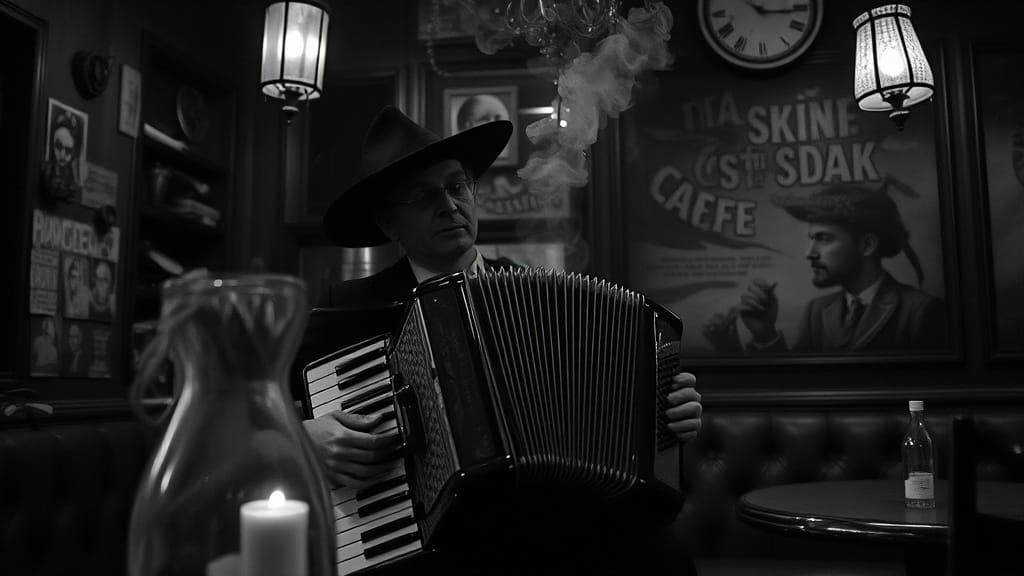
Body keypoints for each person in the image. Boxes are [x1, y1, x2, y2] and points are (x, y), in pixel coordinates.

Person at [309, 106, 702, 575]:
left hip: (549, 526)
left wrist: (668, 412)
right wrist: (304, 436)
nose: (449, 205)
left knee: (665, 559)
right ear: (389, 223)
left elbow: (610, 408)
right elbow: (258, 412)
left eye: (457, 186)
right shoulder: (350, 310)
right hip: (422, 537)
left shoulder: (542, 295)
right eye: (422, 195)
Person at [704, 183, 948, 353]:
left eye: (823, 238)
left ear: (867, 245)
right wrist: (765, 334)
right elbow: (797, 388)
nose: (809, 253)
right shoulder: (817, 312)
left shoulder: (921, 312)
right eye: (812, 239)